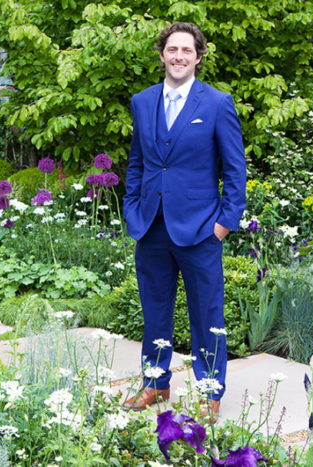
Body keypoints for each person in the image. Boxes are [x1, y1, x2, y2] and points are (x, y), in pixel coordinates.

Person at [122, 22, 247, 416]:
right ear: (162, 54)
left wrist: (224, 223)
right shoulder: (142, 102)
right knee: (154, 310)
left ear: (198, 56)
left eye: (186, 50)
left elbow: (235, 170)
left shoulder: (216, 103)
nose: (179, 56)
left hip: (200, 229)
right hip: (151, 226)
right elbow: (138, 163)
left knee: (207, 314)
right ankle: (155, 384)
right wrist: (131, 208)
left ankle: (210, 392)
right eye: (172, 49)